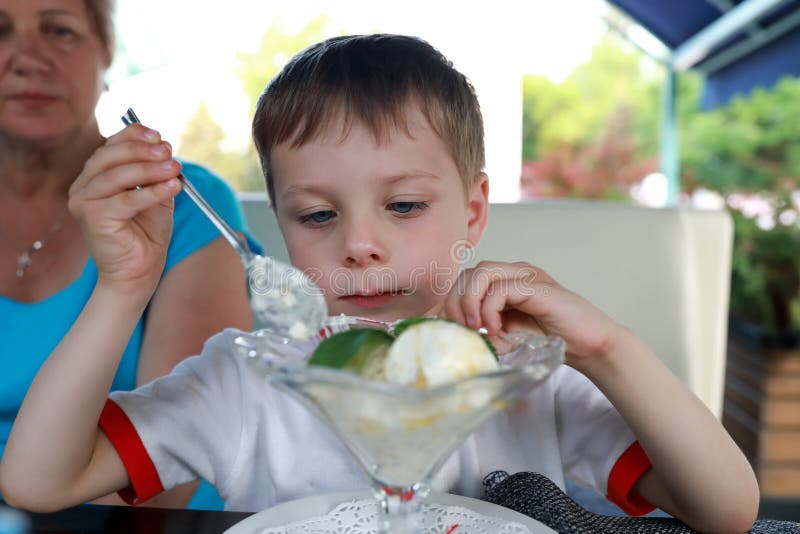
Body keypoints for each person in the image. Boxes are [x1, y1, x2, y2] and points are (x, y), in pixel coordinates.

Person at [0, 34, 759, 532]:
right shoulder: (246, 382)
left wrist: (606, 348)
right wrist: (122, 289)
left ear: (474, 210)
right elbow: (36, 482)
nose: (361, 245)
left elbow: (727, 510)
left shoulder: (524, 376)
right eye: (318, 214)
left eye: (403, 206)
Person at [0, 0, 257, 508]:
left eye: (58, 30)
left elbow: (164, 482)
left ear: (107, 50)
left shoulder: (176, 204)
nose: (27, 57)